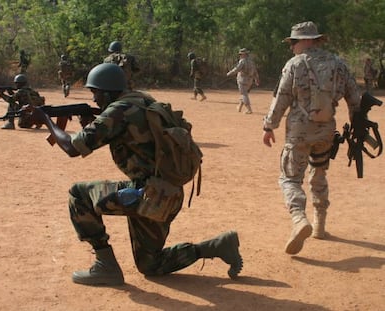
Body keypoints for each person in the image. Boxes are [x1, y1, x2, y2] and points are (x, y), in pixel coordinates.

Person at [29, 63, 243, 286]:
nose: (94, 99)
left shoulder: (118, 111)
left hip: (146, 195)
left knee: (78, 195)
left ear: (108, 92)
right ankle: (215, 246)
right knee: (150, 265)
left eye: (96, 93)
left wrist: (45, 120)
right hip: (167, 195)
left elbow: (73, 148)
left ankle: (106, 266)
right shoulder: (143, 100)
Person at [262, 21, 360, 255]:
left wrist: (269, 126)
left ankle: (299, 219)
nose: (291, 47)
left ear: (306, 41)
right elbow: (355, 98)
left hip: (299, 132)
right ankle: (319, 225)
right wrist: (357, 125)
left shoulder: (294, 64)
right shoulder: (339, 64)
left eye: (293, 42)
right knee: (318, 172)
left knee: (290, 179)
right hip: (326, 131)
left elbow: (282, 98)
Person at [227, 48, 260, 114]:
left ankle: (249, 109)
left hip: (242, 79)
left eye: (241, 54)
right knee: (244, 93)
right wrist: (256, 79)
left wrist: (229, 73)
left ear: (244, 55)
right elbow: (255, 71)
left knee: (244, 94)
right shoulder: (251, 62)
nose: (240, 56)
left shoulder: (242, 61)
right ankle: (239, 107)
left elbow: (237, 69)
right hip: (250, 80)